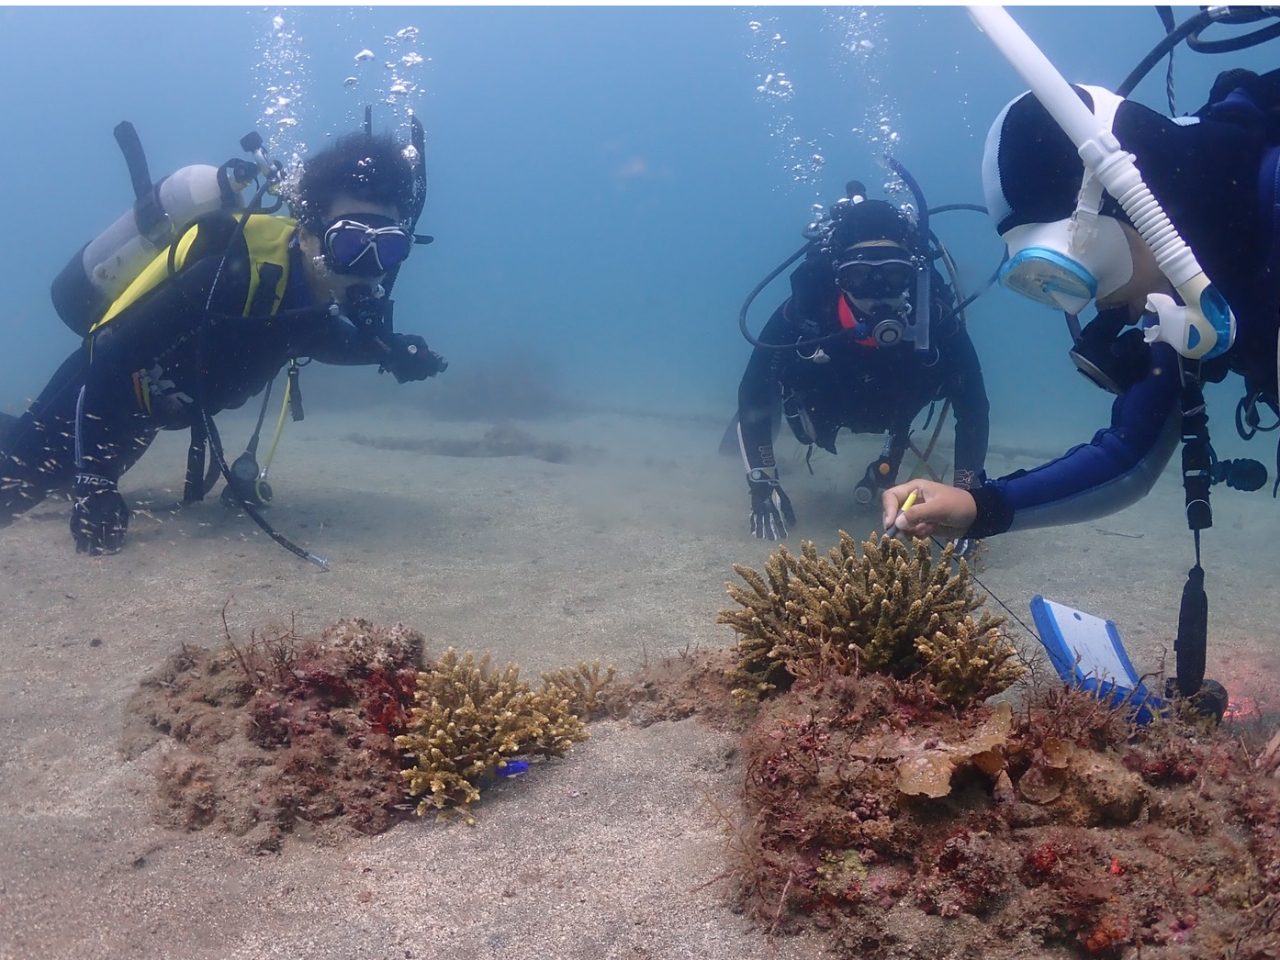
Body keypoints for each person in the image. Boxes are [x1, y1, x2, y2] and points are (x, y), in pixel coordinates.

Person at [0, 128, 447, 556]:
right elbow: (106, 357)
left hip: (151, 410)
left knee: (54, 476)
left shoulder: (311, 306)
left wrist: (393, 354)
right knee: (15, 487)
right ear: (308, 234)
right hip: (99, 389)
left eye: (388, 248)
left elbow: (330, 342)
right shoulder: (229, 275)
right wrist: (95, 481)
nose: (367, 268)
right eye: (349, 242)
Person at [882, 75, 1280, 543]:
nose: (1103, 304)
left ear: (1138, 201)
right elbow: (1126, 457)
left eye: (1090, 266)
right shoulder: (1177, 283)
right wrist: (978, 506)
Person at [734, 180, 990, 541]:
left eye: (893, 274)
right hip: (818, 409)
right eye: (859, 276)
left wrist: (969, 497)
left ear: (913, 273)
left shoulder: (937, 322)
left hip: (895, 412)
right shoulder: (806, 315)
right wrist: (762, 480)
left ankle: (890, 456)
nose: (877, 291)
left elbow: (973, 406)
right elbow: (754, 389)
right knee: (767, 391)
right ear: (839, 276)